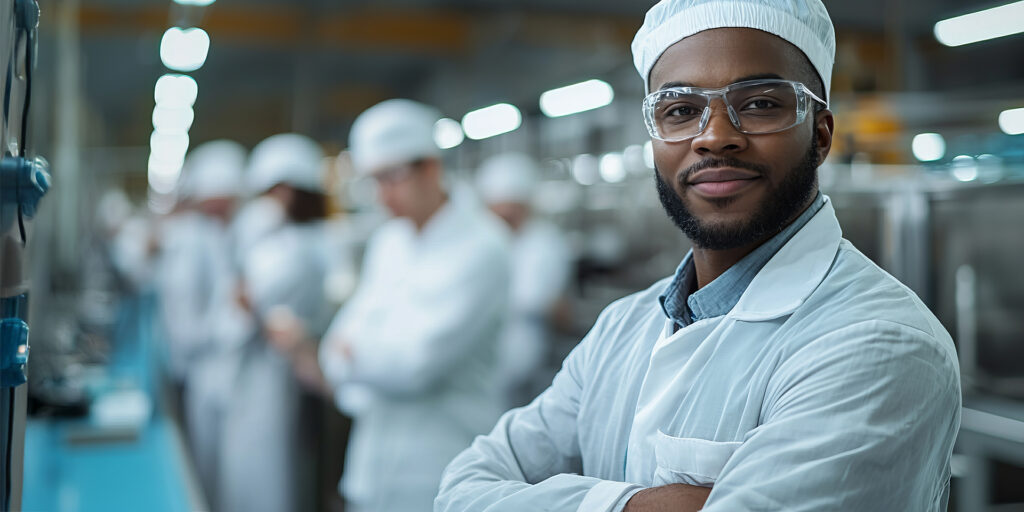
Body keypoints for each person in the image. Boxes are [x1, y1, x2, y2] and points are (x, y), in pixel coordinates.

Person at [436, 1, 961, 511]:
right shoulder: (623, 328)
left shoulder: (877, 343)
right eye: (681, 111)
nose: (714, 137)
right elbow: (461, 488)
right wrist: (642, 505)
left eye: (759, 104)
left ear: (821, 135)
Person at [270, 99, 510, 512]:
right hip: (372, 464)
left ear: (430, 168)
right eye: (373, 181)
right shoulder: (390, 242)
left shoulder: (481, 247)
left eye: (392, 177)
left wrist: (355, 353)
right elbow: (338, 345)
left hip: (441, 465)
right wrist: (353, 353)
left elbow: (413, 366)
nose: (382, 195)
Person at [216, 133, 334, 512]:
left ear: (284, 192)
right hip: (278, 374)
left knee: (268, 477)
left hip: (274, 377)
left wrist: (244, 299)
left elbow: (244, 308)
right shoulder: (306, 241)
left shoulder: (292, 249)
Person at [153, 140, 246, 506]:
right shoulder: (198, 236)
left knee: (228, 469)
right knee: (208, 468)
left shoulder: (232, 234)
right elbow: (190, 313)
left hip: (222, 368)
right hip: (206, 364)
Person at [476, 152, 573, 408]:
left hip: (525, 350)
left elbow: (538, 298)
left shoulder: (545, 242)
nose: (506, 216)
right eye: (499, 210)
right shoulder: (478, 242)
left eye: (513, 209)